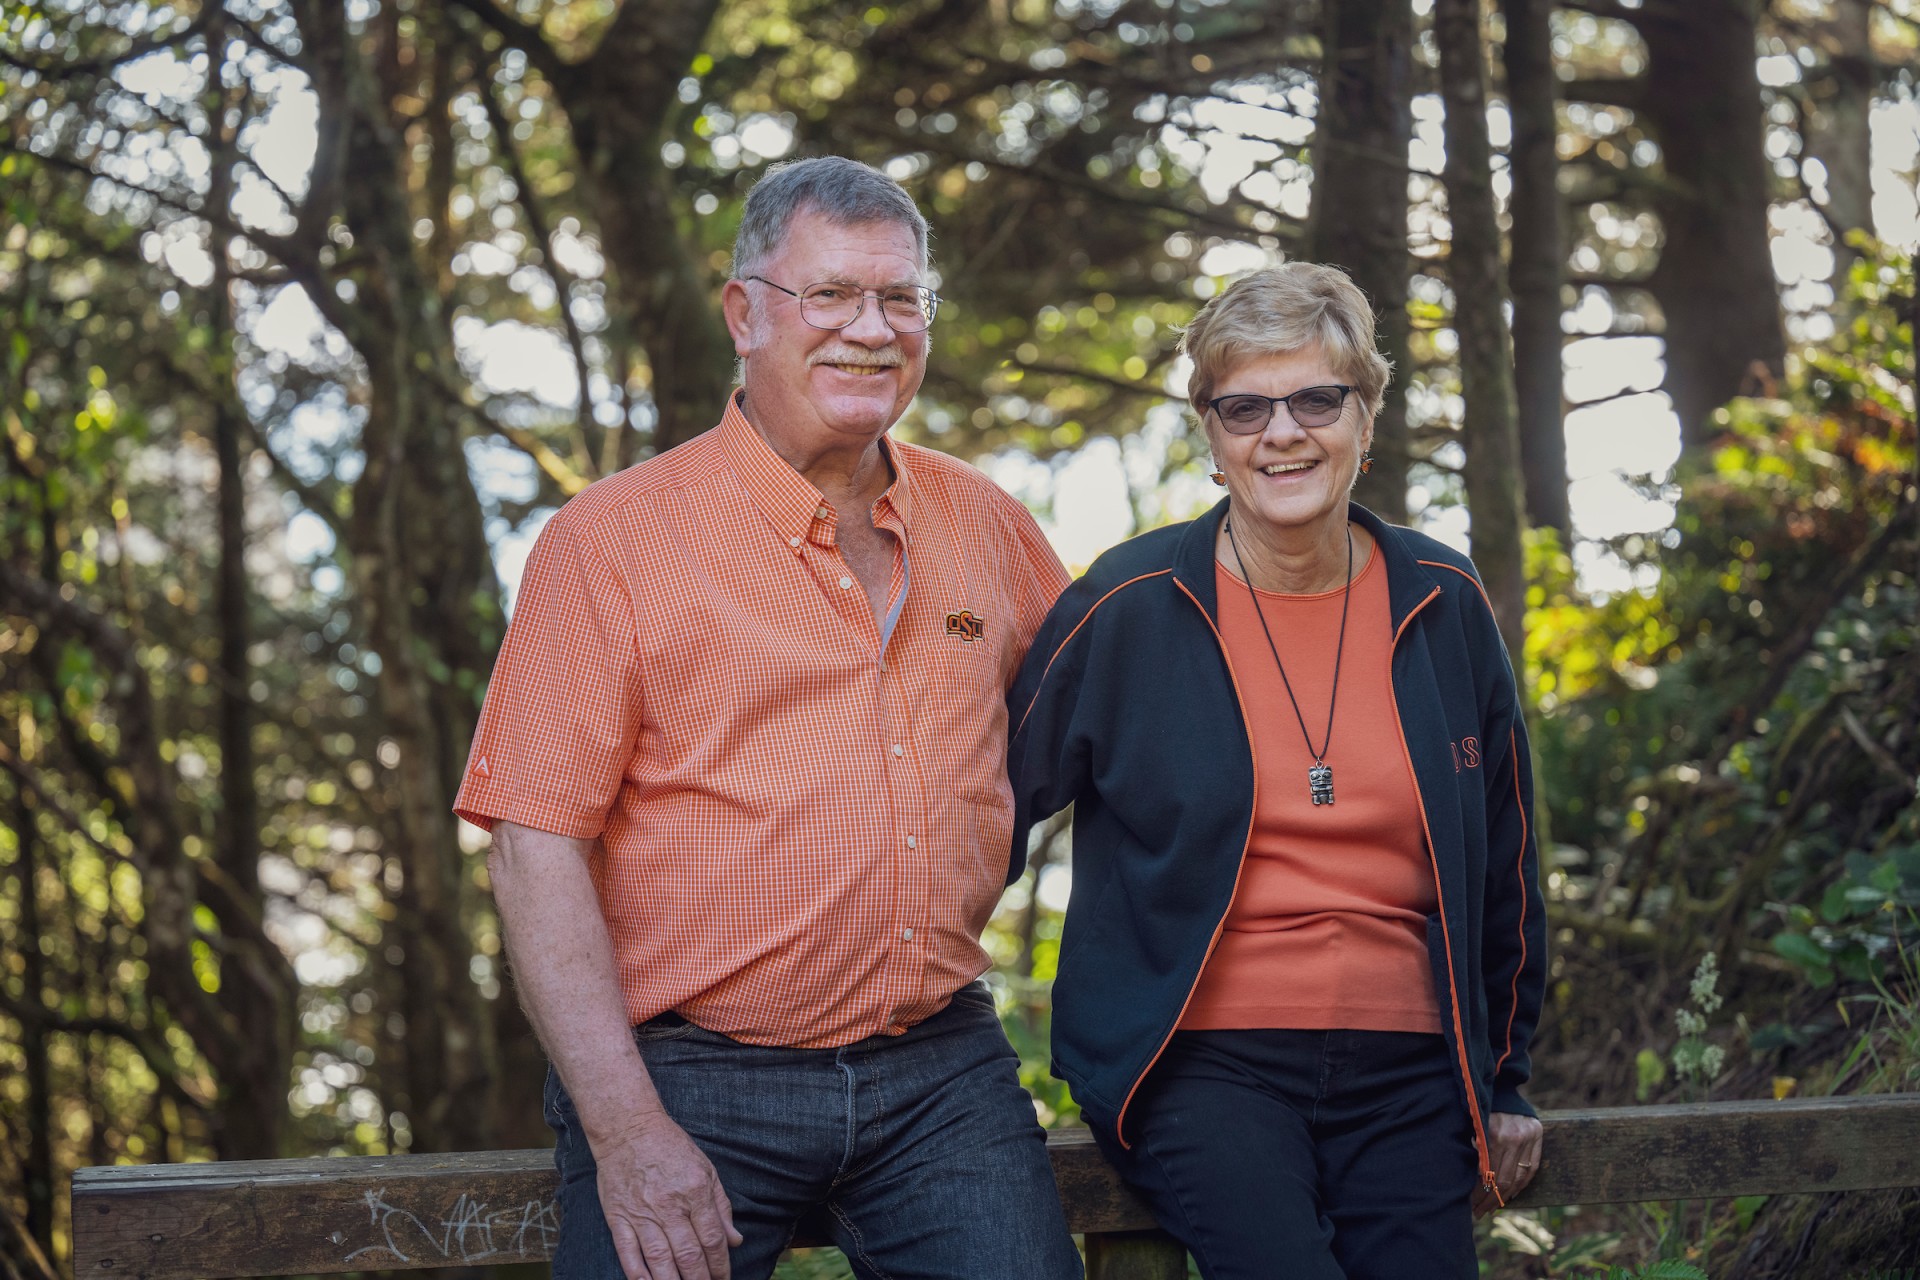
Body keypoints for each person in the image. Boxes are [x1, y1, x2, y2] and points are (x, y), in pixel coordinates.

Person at [455, 156, 1082, 1280]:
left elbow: (1109, 731)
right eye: (830, 294)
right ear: (746, 313)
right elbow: (531, 844)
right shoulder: (611, 542)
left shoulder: (984, 521)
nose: (872, 328)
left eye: (902, 298)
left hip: (938, 1065)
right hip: (691, 1077)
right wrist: (629, 1132)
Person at [1007, 262, 1547, 1278]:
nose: (1282, 431)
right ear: (1212, 436)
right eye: (1244, 406)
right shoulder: (1127, 603)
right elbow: (983, 806)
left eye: (1316, 398)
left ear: (1366, 416)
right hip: (1202, 1057)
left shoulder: (1445, 598)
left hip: (1412, 1069)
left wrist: (1505, 1076)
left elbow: (1507, 862)